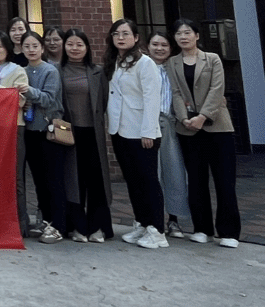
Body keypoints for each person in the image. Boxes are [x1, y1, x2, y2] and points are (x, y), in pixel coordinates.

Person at [167, 18, 241, 248]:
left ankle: (229, 232)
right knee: (196, 181)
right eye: (179, 33)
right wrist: (184, 118)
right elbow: (176, 92)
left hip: (217, 127)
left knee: (224, 181)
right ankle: (202, 228)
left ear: (197, 36)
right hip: (188, 129)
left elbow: (217, 89)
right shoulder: (172, 62)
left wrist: (203, 116)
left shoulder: (212, 59)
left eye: (187, 32)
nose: (183, 37)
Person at [105, 18, 167, 249]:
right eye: (116, 34)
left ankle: (157, 230)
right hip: (119, 129)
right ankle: (142, 223)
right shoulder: (114, 62)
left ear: (136, 37)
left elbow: (152, 98)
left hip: (142, 131)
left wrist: (148, 131)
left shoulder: (145, 63)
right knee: (132, 181)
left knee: (148, 181)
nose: (120, 38)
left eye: (125, 33)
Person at [59, 28, 113, 244]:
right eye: (70, 44)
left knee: (96, 180)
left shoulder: (98, 72)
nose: (74, 48)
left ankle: (97, 226)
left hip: (93, 133)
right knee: (73, 179)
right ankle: (77, 226)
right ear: (64, 47)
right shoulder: (57, 71)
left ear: (87, 48)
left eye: (79, 44)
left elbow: (105, 102)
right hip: (68, 133)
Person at [19, 30, 66, 244]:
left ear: (42, 48)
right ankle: (45, 220)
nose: (31, 50)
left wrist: (29, 92)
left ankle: (58, 225)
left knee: (53, 180)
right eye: (27, 46)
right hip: (29, 132)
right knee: (38, 180)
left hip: (49, 132)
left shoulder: (50, 70)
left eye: (35, 46)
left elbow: (49, 99)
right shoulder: (21, 71)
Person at [147, 31, 191, 238]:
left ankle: (173, 220)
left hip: (172, 124)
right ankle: (150, 220)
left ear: (170, 48)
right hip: (149, 125)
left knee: (174, 173)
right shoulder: (143, 67)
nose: (159, 48)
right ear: (147, 47)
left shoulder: (175, 68)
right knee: (151, 174)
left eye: (164, 45)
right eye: (155, 44)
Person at [0, 31, 30, 237]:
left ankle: (20, 224)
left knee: (15, 176)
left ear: (7, 49)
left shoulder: (18, 71)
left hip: (13, 127)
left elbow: (20, 100)